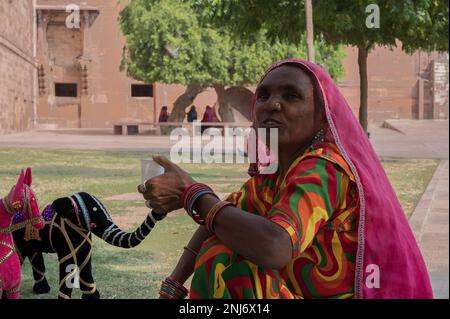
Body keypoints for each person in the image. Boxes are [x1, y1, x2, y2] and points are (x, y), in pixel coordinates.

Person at [138, 58, 433, 299]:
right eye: (264, 96)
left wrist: (193, 193)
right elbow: (218, 221)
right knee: (226, 238)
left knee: (227, 260)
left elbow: (275, 247)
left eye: (291, 96)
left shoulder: (324, 167)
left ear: (321, 116)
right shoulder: (273, 172)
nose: (272, 105)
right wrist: (173, 284)